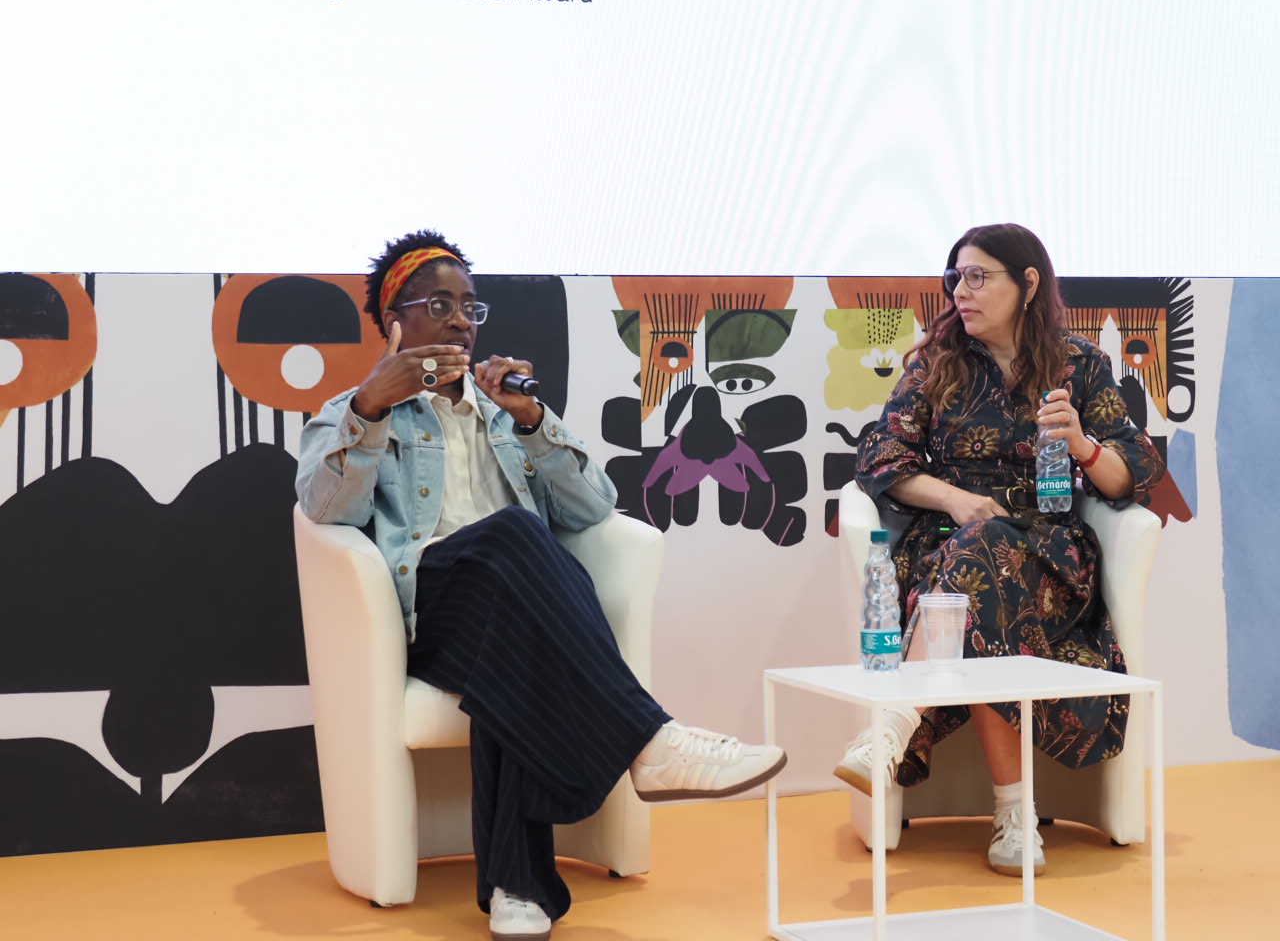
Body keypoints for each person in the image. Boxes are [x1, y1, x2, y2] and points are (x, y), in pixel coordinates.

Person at [295, 230, 786, 941]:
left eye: (470, 306)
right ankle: (652, 739)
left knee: (516, 631)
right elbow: (325, 511)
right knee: (517, 535)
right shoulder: (351, 409)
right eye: (440, 305)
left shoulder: (505, 410)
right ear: (394, 321)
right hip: (430, 610)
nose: (462, 321)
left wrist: (532, 421)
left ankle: (518, 889)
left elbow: (593, 507)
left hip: (506, 606)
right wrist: (370, 408)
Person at [835, 223, 1165, 877]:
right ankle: (1014, 816)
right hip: (949, 544)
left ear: (1028, 282)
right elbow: (880, 457)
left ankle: (894, 727)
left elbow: (1136, 473)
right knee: (978, 566)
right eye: (956, 277)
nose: (961, 291)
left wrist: (1082, 445)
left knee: (982, 569)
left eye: (979, 277)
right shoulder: (938, 362)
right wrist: (955, 499)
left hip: (1049, 554)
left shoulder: (1077, 365)